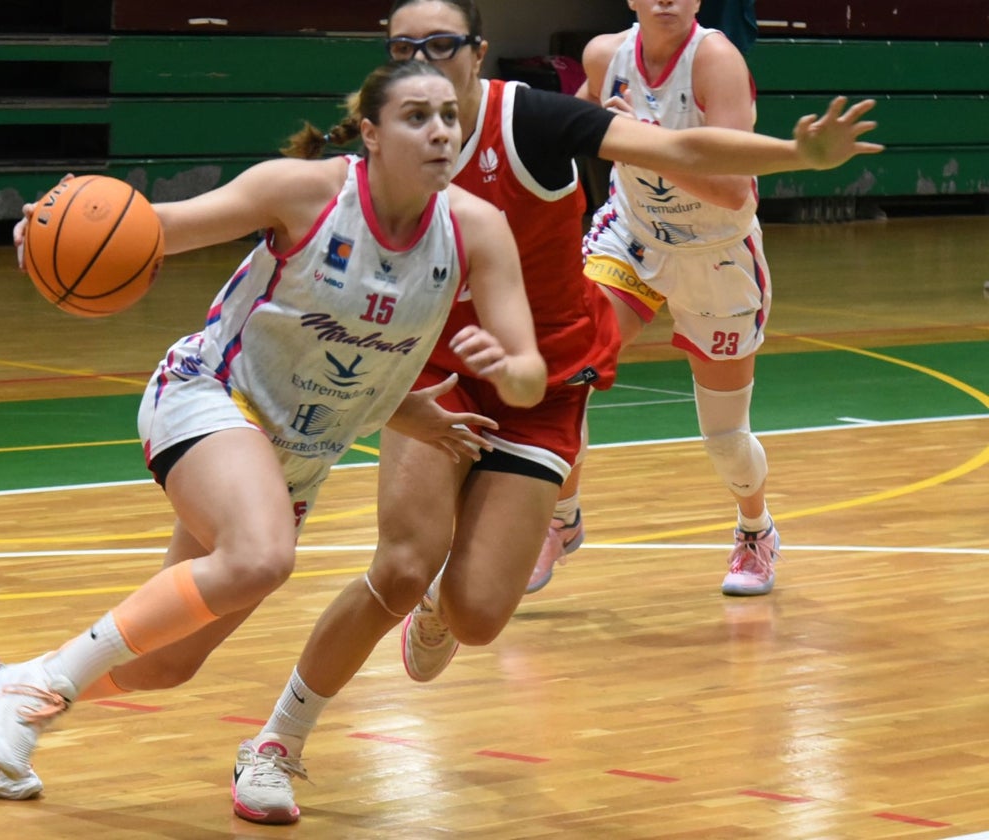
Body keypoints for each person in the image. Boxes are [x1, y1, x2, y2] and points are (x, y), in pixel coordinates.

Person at [228, 0, 880, 825]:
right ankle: (277, 744)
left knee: (480, 611)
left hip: (588, 346)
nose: (427, 59)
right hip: (456, 363)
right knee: (399, 564)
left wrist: (794, 152)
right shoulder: (382, 141)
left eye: (443, 43)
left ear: (478, 51)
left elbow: (682, 148)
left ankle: (493, 582)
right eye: (407, 48)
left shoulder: (533, 117)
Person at [0, 58, 551, 800]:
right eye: (416, 117)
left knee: (169, 662)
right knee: (264, 556)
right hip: (210, 396)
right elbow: (157, 228)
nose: (439, 132)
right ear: (371, 134)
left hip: (296, 459)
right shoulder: (303, 193)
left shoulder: (477, 230)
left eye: (449, 116)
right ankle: (36, 690)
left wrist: (495, 372)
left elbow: (526, 370)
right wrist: (46, 228)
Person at [530, 0, 787, 598]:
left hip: (717, 250)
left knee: (725, 439)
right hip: (635, 237)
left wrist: (649, 142)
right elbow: (584, 137)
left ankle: (756, 529)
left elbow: (731, 189)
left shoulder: (715, 60)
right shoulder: (605, 55)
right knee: (565, 375)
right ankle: (561, 518)